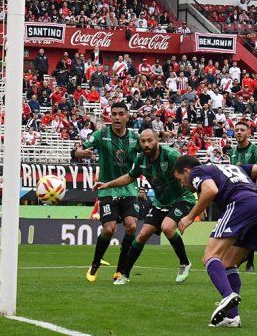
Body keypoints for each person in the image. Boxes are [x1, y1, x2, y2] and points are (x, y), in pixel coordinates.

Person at [173, 156, 257, 328]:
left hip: (240, 204)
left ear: (186, 172)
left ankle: (227, 295)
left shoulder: (197, 171)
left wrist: (190, 217)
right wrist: (256, 195)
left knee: (210, 256)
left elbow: (211, 190)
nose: (182, 184)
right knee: (228, 263)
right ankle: (233, 318)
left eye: (179, 179)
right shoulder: (231, 167)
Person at [93, 129, 195, 285]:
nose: (146, 144)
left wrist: (199, 190)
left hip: (182, 198)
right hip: (160, 202)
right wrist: (107, 184)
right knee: (142, 235)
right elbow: (129, 177)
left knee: (167, 227)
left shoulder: (170, 155)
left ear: (157, 141)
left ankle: (185, 263)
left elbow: (192, 168)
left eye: (150, 140)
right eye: (143, 141)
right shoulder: (140, 159)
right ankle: (124, 275)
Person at [74, 102, 141, 282]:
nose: (117, 117)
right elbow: (77, 152)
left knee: (132, 226)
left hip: (129, 189)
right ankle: (95, 263)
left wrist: (142, 187)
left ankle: (120, 269)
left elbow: (145, 162)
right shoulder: (101, 135)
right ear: (110, 117)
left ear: (127, 116)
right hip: (106, 189)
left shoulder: (135, 138)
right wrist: (83, 153)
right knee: (109, 229)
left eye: (121, 114)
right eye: (114, 114)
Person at [229, 121, 257, 272]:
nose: (238, 132)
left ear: (248, 133)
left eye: (242, 130)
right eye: (236, 130)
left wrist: (256, 193)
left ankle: (249, 262)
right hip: (237, 194)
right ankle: (240, 258)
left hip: (251, 194)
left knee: (250, 228)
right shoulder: (232, 152)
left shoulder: (255, 151)